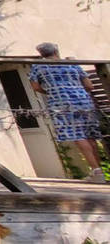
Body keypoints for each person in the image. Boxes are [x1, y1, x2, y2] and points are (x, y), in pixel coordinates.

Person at [29, 42, 105, 183]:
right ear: (57, 51)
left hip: (61, 102)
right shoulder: (72, 64)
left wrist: (51, 92)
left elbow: (35, 87)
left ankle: (96, 171)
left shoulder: (38, 67)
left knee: (77, 134)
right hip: (84, 100)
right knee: (90, 134)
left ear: (41, 54)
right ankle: (98, 172)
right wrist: (78, 91)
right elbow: (89, 85)